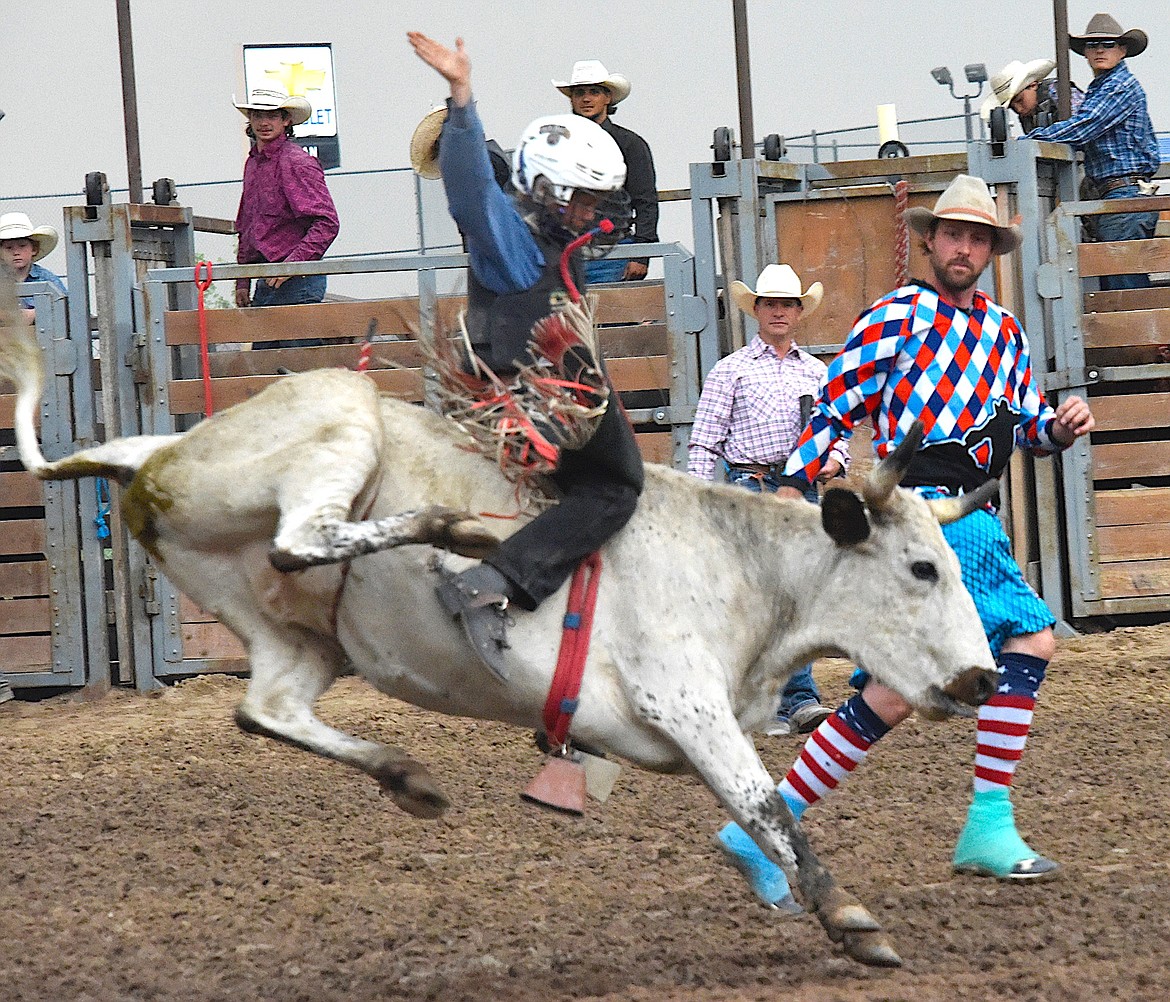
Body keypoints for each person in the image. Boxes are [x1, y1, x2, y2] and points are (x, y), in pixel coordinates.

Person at [715, 174, 1095, 911]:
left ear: (989, 250)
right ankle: (987, 824)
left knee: (892, 695)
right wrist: (795, 489)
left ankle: (761, 824)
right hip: (925, 512)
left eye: (977, 237)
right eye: (953, 234)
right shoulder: (895, 316)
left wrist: (1060, 425)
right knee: (1033, 640)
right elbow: (836, 406)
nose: (963, 247)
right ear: (930, 241)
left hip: (969, 514)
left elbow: (1026, 425)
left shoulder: (1004, 332)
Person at [407, 31, 644, 680]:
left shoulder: (549, 245)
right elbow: (469, 191)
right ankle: (494, 581)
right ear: (549, 189)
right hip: (522, 402)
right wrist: (461, 97)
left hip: (543, 393)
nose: (594, 213)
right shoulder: (510, 240)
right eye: (585, 199)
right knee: (619, 486)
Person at [688, 264, 847, 736]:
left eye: (787, 305)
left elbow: (835, 432)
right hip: (750, 488)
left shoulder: (819, 372)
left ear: (799, 313)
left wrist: (834, 461)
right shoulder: (731, 370)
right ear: (757, 310)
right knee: (757, 600)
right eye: (771, 304)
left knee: (798, 598)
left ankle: (792, 700)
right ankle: (764, 701)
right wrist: (700, 503)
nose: (779, 312)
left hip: (803, 490)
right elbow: (705, 440)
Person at [1026, 13, 1159, 291]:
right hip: (1120, 198)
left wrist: (1031, 139)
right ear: (1085, 53)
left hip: (1123, 199)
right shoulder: (1103, 88)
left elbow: (1085, 126)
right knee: (1122, 286)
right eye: (1093, 44)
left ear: (1122, 50)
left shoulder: (1118, 87)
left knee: (1124, 291)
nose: (1100, 49)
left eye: (1108, 44)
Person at [232, 85, 340, 346]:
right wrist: (243, 281)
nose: (264, 122)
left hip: (298, 282)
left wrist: (292, 264)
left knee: (294, 371)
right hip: (269, 280)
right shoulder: (254, 163)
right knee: (269, 372)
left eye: (272, 116)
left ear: (285, 120)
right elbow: (248, 225)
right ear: (250, 120)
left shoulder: (297, 162)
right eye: (257, 115)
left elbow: (327, 223)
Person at [554, 60, 658, 284]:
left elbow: (645, 202)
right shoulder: (557, 144)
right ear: (572, 98)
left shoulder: (630, 144)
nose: (586, 98)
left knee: (611, 316)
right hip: (567, 252)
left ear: (607, 98)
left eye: (594, 92)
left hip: (614, 250)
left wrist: (641, 254)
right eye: (580, 92)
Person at [980, 58, 1084, 134]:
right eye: (1012, 107)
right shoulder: (1027, 116)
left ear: (1033, 85)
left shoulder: (1057, 90)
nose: (1018, 109)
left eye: (1020, 100)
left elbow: (1081, 123)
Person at [0, 212, 67, 323]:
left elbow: (67, 308)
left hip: (43, 338)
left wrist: (35, 314)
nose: (16, 252)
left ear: (34, 249)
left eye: (22, 246)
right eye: (9, 247)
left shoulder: (47, 279)